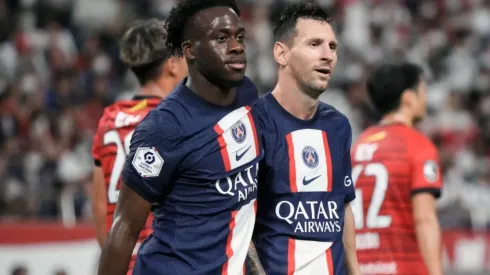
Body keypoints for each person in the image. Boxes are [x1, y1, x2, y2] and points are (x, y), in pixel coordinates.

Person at [97, 1, 264, 274]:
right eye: (221, 39)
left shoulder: (246, 95)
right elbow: (124, 228)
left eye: (240, 36)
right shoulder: (164, 128)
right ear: (190, 51)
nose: (237, 46)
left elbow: (238, 200)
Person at [252, 2, 361, 275]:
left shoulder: (338, 125)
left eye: (332, 47)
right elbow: (237, 218)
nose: (328, 56)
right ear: (281, 54)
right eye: (314, 44)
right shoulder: (253, 123)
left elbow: (342, 208)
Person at [90, 18, 188, 273]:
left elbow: (101, 208)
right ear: (172, 65)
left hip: (123, 261)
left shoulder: (108, 120)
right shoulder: (179, 121)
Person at [351, 63, 443, 275]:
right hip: (404, 267)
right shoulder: (418, 146)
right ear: (408, 98)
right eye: (422, 91)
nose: (425, 99)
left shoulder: (357, 148)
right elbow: (425, 219)